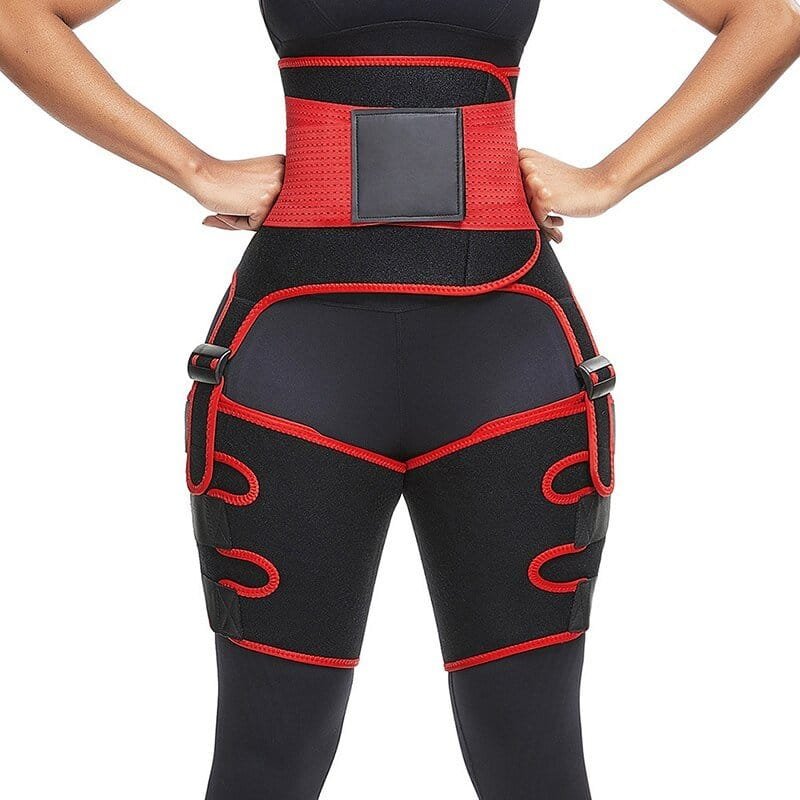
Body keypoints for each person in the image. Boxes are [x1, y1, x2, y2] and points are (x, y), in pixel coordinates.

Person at [1, 2, 798, 798]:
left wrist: (611, 178)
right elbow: (17, 18)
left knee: (534, 763)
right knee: (265, 761)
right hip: (300, 370)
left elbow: (767, 21)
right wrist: (192, 167)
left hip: (505, 368)